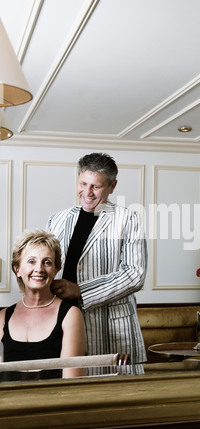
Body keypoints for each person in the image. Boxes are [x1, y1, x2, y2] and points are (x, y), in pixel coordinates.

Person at [46, 152, 147, 363]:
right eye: (83, 183)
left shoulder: (128, 219)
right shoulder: (56, 219)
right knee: (71, 388)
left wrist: (80, 290)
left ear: (112, 186)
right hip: (63, 321)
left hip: (112, 327)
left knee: (116, 391)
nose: (87, 192)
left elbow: (135, 274)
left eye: (96, 186)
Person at [0, 229, 86, 380]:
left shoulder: (70, 315)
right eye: (31, 261)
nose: (39, 269)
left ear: (55, 270)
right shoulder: (2, 316)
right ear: (17, 269)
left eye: (47, 262)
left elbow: (72, 384)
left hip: (54, 402)